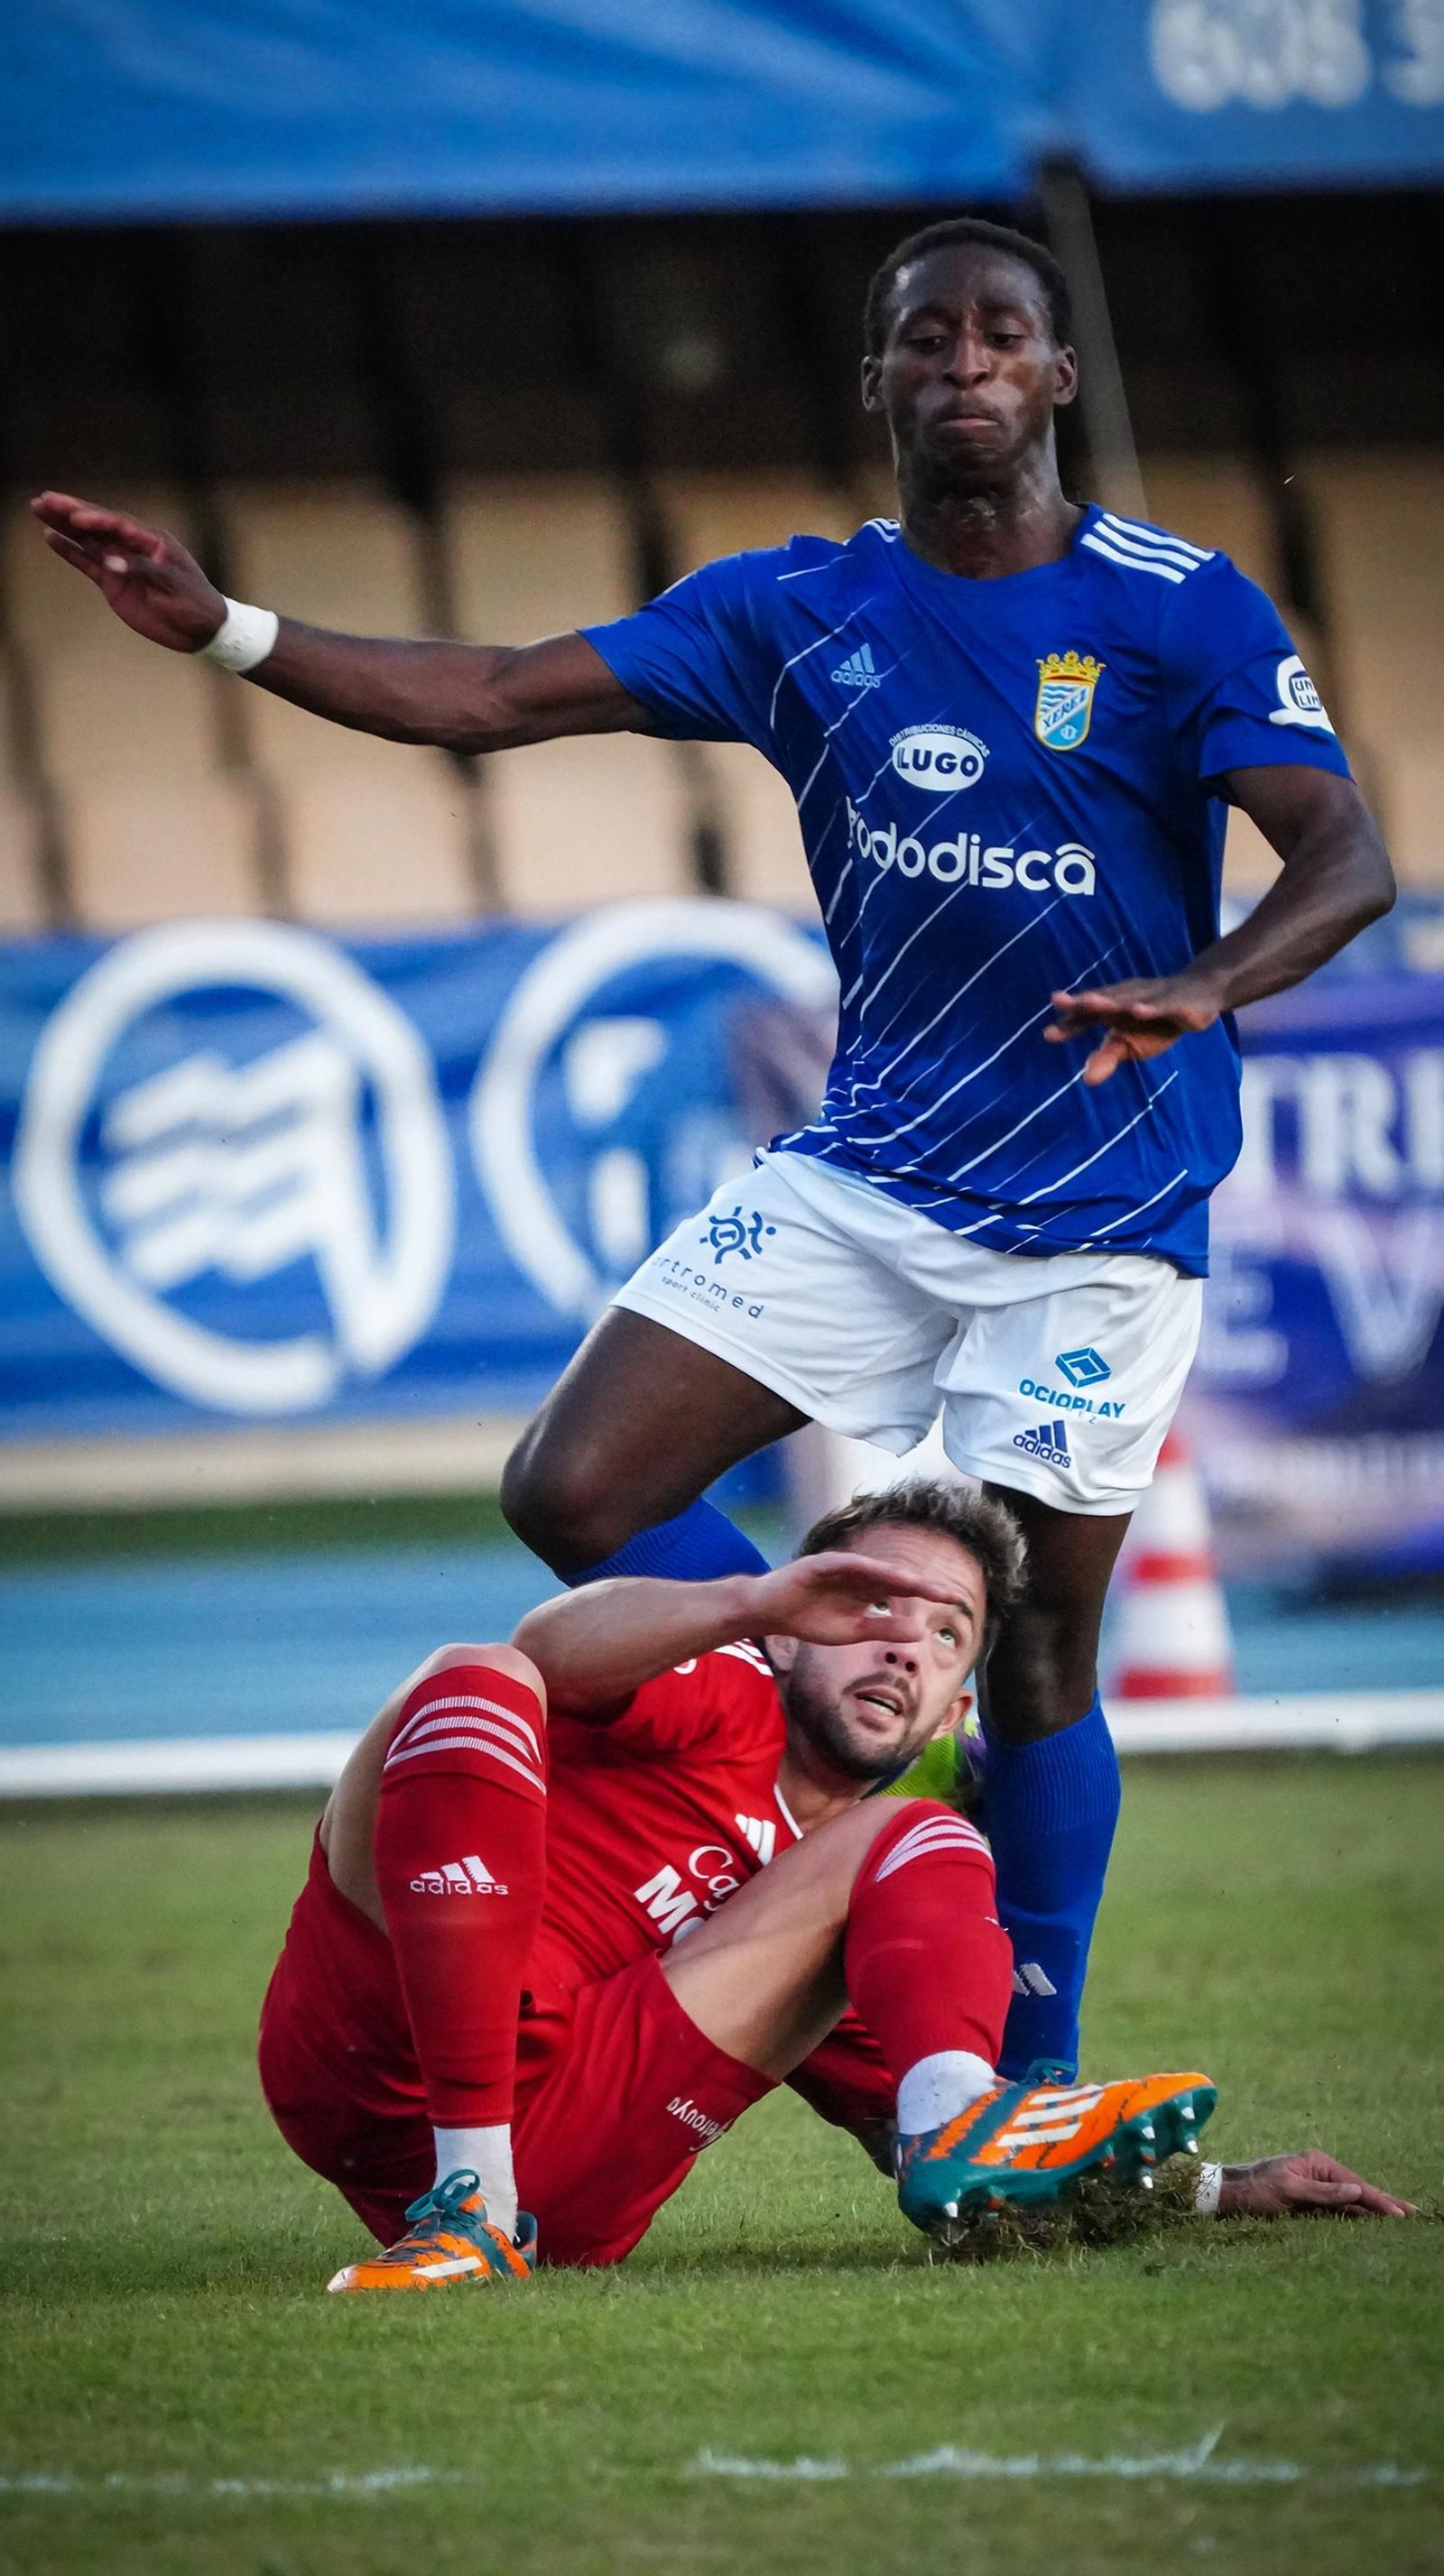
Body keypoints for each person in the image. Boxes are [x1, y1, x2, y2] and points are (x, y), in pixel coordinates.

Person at [32, 217, 1397, 2096]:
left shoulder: (1178, 606)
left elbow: (1344, 856)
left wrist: (1207, 981)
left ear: (1060, 377)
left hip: (1095, 1214)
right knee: (570, 1487)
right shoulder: (800, 607)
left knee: (1034, 1659)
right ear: (879, 383)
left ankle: (1022, 2079)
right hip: (866, 1175)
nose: (966, 366)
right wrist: (229, 629)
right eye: (926, 341)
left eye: (1004, 334)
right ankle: (799, 1674)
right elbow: (497, 695)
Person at [255, 1480, 1412, 2291]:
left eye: (945, 1632)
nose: (904, 1643)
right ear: (798, 1632)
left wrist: (1220, 2188)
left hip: (567, 2164)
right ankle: (468, 2206)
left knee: (920, 1848)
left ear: (957, 1705)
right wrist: (744, 1602)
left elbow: (938, 2165)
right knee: (474, 1677)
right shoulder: (719, 1689)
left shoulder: (867, 1892)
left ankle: (486, 2217)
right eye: (871, 1606)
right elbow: (547, 1657)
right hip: (372, 2040)